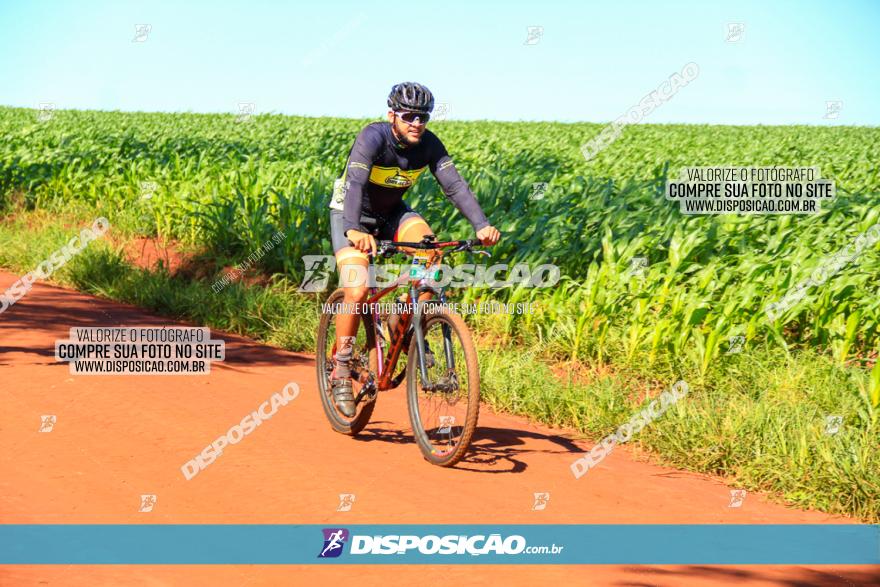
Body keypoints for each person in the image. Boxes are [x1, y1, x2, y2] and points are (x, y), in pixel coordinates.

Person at [327, 81, 500, 417]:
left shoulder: (429, 144)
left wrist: (481, 225)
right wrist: (353, 228)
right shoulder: (372, 137)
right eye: (409, 116)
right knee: (358, 289)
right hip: (349, 214)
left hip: (392, 213)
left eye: (424, 117)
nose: (417, 123)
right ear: (392, 115)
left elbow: (454, 186)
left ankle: (398, 321)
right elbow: (356, 183)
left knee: (431, 252)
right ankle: (342, 369)